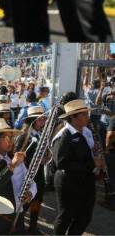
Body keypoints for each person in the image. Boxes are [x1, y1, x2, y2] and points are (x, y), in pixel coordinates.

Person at [51, 99, 103, 235]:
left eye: (87, 113)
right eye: (84, 114)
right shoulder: (64, 135)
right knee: (66, 216)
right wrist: (92, 163)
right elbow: (61, 163)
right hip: (68, 182)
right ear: (73, 117)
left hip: (86, 180)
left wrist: (94, 155)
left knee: (85, 216)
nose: (87, 117)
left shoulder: (86, 131)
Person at [13, 106, 48, 234]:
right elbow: (17, 156)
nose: (43, 121)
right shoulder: (24, 136)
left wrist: (46, 157)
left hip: (39, 173)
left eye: (44, 119)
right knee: (25, 203)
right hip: (27, 174)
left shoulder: (40, 133)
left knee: (37, 200)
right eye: (40, 119)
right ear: (33, 121)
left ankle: (33, 227)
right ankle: (17, 226)